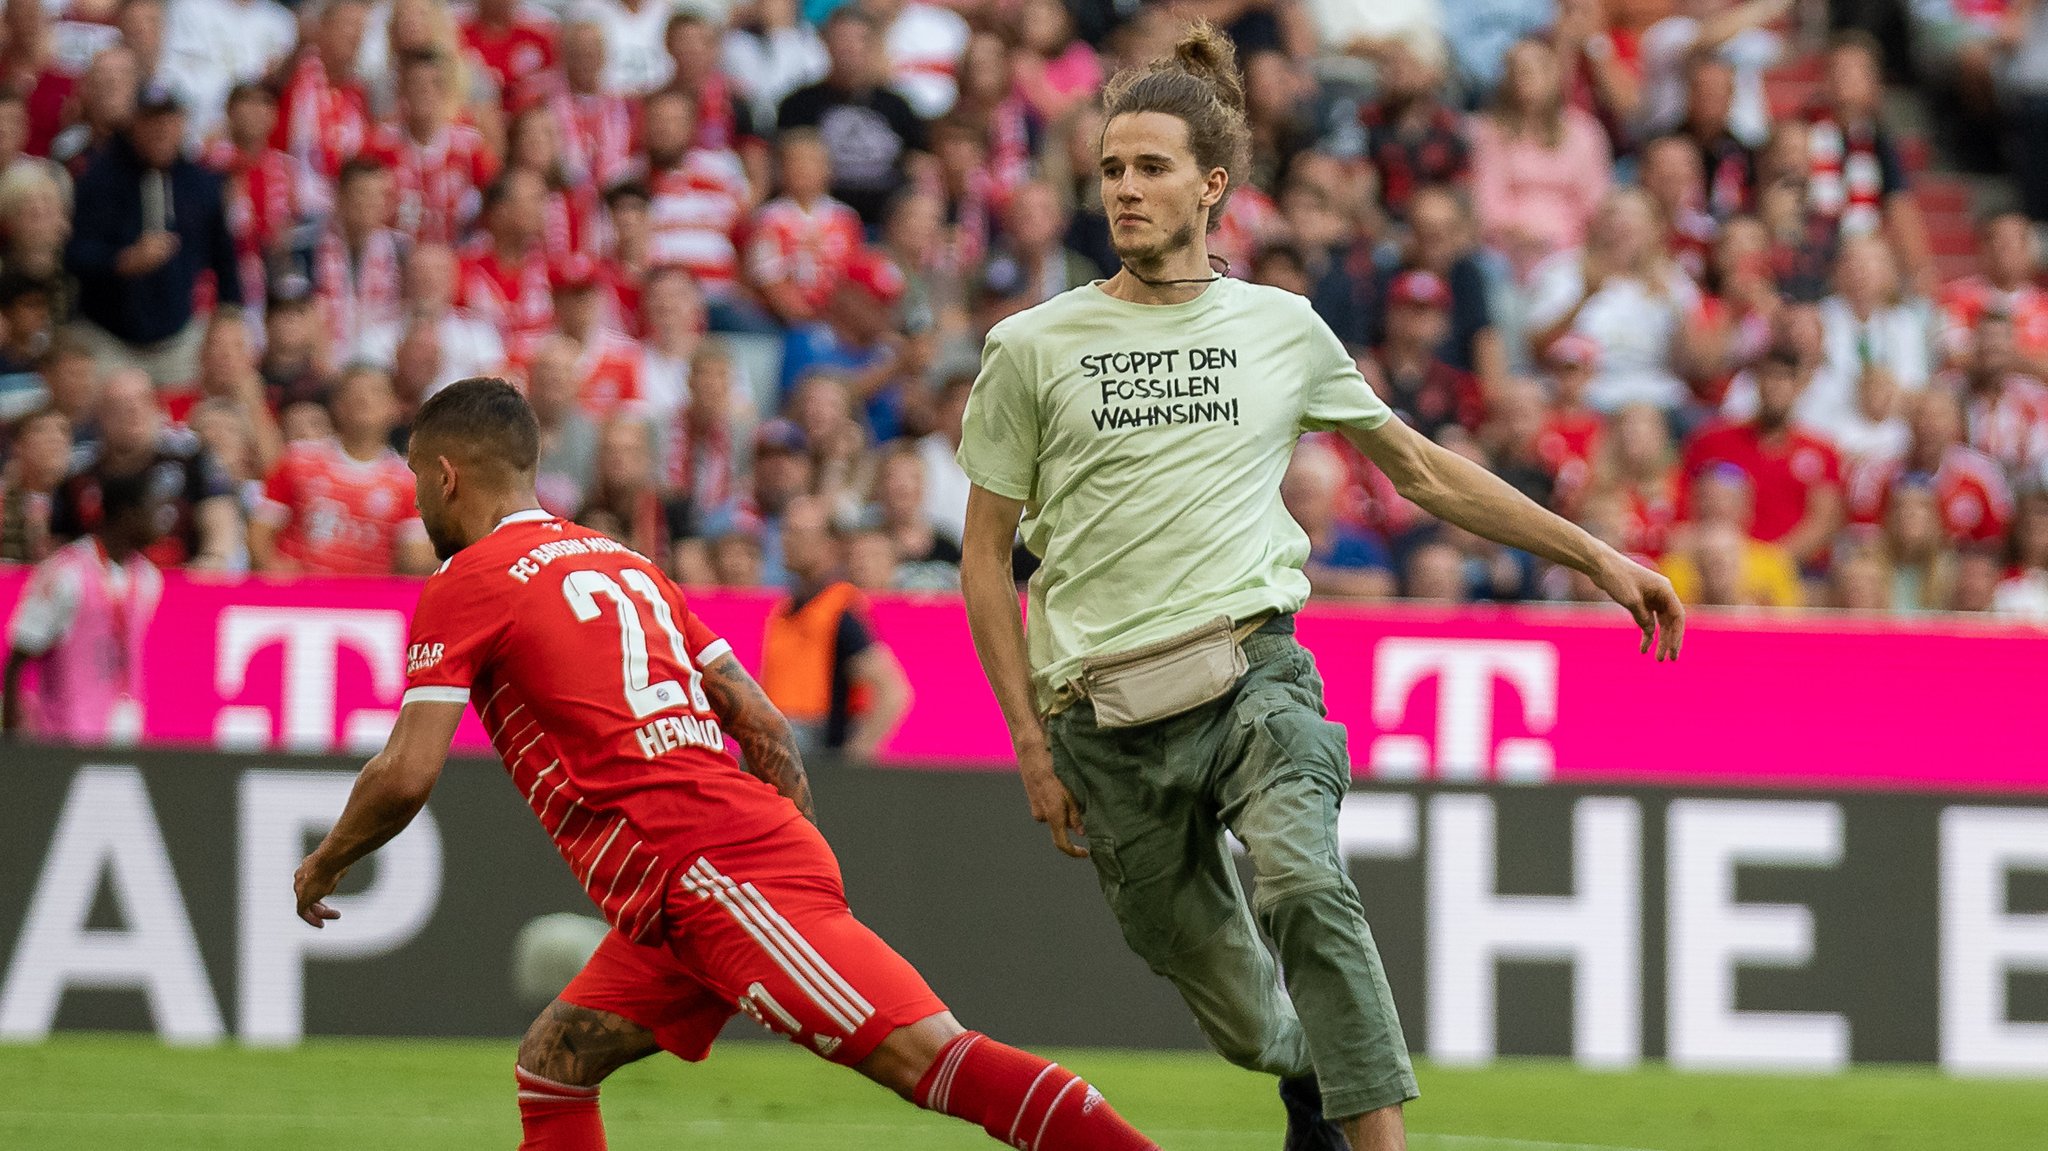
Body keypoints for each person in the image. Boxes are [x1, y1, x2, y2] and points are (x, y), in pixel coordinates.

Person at [954, 23, 1684, 1151]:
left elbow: (1421, 467)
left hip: (1251, 672)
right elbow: (984, 553)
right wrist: (1027, 742)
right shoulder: (1032, 346)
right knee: (1249, 1021)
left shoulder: (1280, 328)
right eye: (1109, 169)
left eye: (1150, 168)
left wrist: (1594, 555)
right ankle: (1308, 1076)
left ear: (1212, 185)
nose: (1125, 190)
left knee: (1302, 882)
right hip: (1099, 719)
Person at [290, 377, 1161, 1151]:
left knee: (932, 1058)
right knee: (555, 1062)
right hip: (694, 887)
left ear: (446, 475)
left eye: (415, 480)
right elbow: (761, 719)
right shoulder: (623, 561)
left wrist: (325, 861)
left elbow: (405, 774)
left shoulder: (467, 580)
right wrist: (790, 838)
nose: (416, 503)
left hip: (714, 872)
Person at [64, 82, 240, 388]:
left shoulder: (201, 184)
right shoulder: (99, 178)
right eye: (151, 120)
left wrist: (229, 315)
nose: (160, 130)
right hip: (109, 338)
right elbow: (73, 253)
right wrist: (122, 261)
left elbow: (224, 257)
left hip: (178, 339)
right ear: (135, 124)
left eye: (169, 120)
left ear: (182, 124)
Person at [3, 465, 165, 744]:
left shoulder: (149, 578)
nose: (163, 520)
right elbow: (20, 655)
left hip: (127, 732)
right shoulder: (66, 573)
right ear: (128, 514)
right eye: (155, 509)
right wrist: (15, 733)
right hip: (65, 739)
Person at [760, 493, 914, 759]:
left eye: (799, 533)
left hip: (818, 754)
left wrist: (850, 762)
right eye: (786, 530)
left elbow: (893, 692)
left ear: (828, 544)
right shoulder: (785, 610)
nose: (787, 540)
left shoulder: (840, 610)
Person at [250, 366, 435, 576]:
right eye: (354, 392)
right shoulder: (298, 460)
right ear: (337, 406)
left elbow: (413, 559)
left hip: (366, 602)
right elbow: (259, 532)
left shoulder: (408, 481)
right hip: (299, 598)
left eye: (375, 392)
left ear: (393, 408)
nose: (364, 399)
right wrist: (273, 571)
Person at [51, 368, 241, 568]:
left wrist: (212, 559)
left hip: (179, 578)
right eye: (120, 405)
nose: (133, 411)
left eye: (142, 401)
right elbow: (58, 543)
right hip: (97, 585)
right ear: (100, 416)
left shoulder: (191, 456)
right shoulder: (78, 473)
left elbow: (220, 518)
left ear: (156, 408)